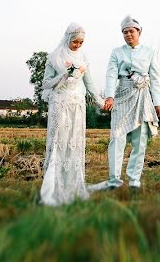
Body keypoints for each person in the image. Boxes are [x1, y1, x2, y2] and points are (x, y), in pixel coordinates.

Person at [39, 22, 104, 206]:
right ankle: (54, 188)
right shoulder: (54, 57)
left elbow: (90, 84)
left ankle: (72, 187)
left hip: (77, 105)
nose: (77, 45)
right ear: (68, 38)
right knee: (59, 143)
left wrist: (100, 101)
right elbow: (45, 84)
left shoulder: (82, 56)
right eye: (75, 42)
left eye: (81, 42)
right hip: (60, 104)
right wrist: (63, 76)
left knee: (73, 144)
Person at [102, 15, 160, 190]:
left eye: (131, 31)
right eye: (125, 32)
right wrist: (109, 96)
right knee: (117, 136)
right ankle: (114, 179)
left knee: (140, 139)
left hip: (143, 96)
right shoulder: (117, 52)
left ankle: (134, 179)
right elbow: (111, 74)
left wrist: (158, 104)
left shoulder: (149, 52)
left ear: (139, 32)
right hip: (122, 94)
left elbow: (156, 79)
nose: (128, 35)